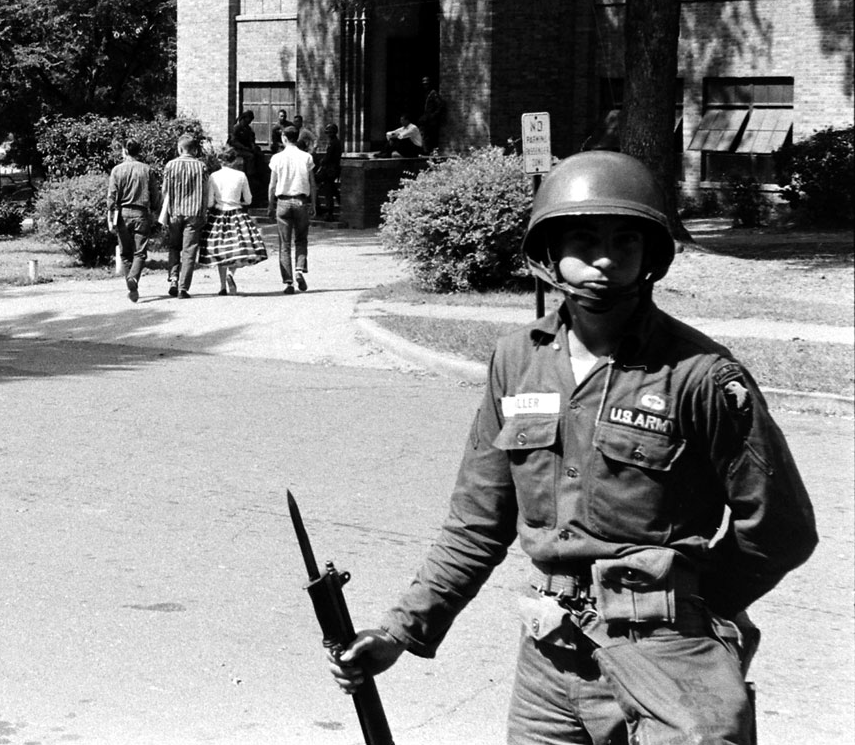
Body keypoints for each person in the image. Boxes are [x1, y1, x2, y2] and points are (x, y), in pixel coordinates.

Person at [326, 151, 818, 745]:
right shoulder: (518, 361)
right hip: (550, 665)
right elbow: (476, 524)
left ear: (650, 256)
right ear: (549, 253)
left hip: (667, 659)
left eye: (625, 242)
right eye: (584, 240)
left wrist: (691, 599)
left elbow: (781, 527)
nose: (605, 259)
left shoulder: (701, 376)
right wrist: (398, 632)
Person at [200, 146, 266, 294]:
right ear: (234, 160)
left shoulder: (214, 176)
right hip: (236, 214)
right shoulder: (241, 175)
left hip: (218, 215)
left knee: (220, 250)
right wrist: (239, 202)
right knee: (237, 248)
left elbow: (210, 202)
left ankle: (222, 286)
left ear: (220, 160)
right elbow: (248, 200)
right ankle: (231, 274)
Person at [157, 134, 211, 299]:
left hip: (175, 212)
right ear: (194, 150)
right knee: (189, 250)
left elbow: (165, 191)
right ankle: (183, 287)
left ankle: (173, 278)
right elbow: (206, 191)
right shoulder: (201, 166)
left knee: (174, 246)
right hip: (194, 213)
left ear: (180, 149)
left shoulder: (170, 165)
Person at [105, 139, 158, 303]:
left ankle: (132, 286)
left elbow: (111, 196)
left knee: (125, 253)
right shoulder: (147, 170)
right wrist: (155, 210)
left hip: (122, 214)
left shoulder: (116, 170)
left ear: (125, 151)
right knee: (140, 252)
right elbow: (155, 194)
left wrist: (110, 216)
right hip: (141, 213)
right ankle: (133, 280)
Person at [266, 129, 316, 294]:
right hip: (301, 200)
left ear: (284, 138)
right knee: (301, 239)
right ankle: (299, 269)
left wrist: (270, 204)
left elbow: (272, 184)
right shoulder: (307, 157)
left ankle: (288, 282)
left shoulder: (277, 158)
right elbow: (312, 183)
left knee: (284, 243)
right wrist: (313, 204)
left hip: (283, 201)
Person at [315, 124, 342, 220]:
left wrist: (322, 161)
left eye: (330, 132)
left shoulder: (334, 143)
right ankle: (341, 204)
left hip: (330, 170)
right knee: (332, 189)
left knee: (328, 191)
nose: (329, 134)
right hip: (332, 170)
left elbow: (329, 157)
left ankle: (329, 212)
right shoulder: (335, 142)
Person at [417, 77, 447, 153]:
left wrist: (433, 115)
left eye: (426, 84)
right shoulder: (426, 94)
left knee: (430, 136)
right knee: (424, 135)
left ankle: (430, 151)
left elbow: (440, 105)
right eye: (424, 84)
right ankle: (426, 150)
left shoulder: (433, 93)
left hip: (431, 120)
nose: (425, 86)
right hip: (426, 118)